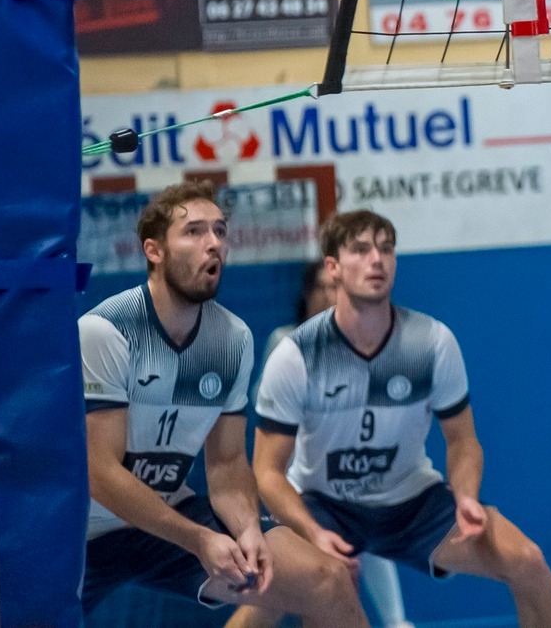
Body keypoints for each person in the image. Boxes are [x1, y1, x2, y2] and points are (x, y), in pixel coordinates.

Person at [250, 211, 551, 627]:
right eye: (361, 250)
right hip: (324, 506)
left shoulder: (431, 342)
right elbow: (267, 472)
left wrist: (468, 496)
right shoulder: (296, 354)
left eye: (385, 248)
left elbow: (463, 442)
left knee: (527, 560)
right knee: (291, 595)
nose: (376, 260)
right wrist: (310, 530)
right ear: (333, 268)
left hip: (413, 505)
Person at [79, 184, 365, 626]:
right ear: (153, 250)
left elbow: (229, 465)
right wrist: (198, 539)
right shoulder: (105, 330)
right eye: (193, 231)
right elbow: (101, 474)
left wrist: (249, 530)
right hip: (85, 533)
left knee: (328, 581)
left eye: (219, 231)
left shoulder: (233, 340)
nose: (213, 243)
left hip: (169, 518)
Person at [228, 261, 414, 628]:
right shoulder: (286, 342)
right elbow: (269, 409)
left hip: (341, 489)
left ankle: (397, 622)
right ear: (308, 294)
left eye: (338, 288)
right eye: (323, 288)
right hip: (292, 491)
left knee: (325, 580)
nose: (331, 296)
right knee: (287, 592)